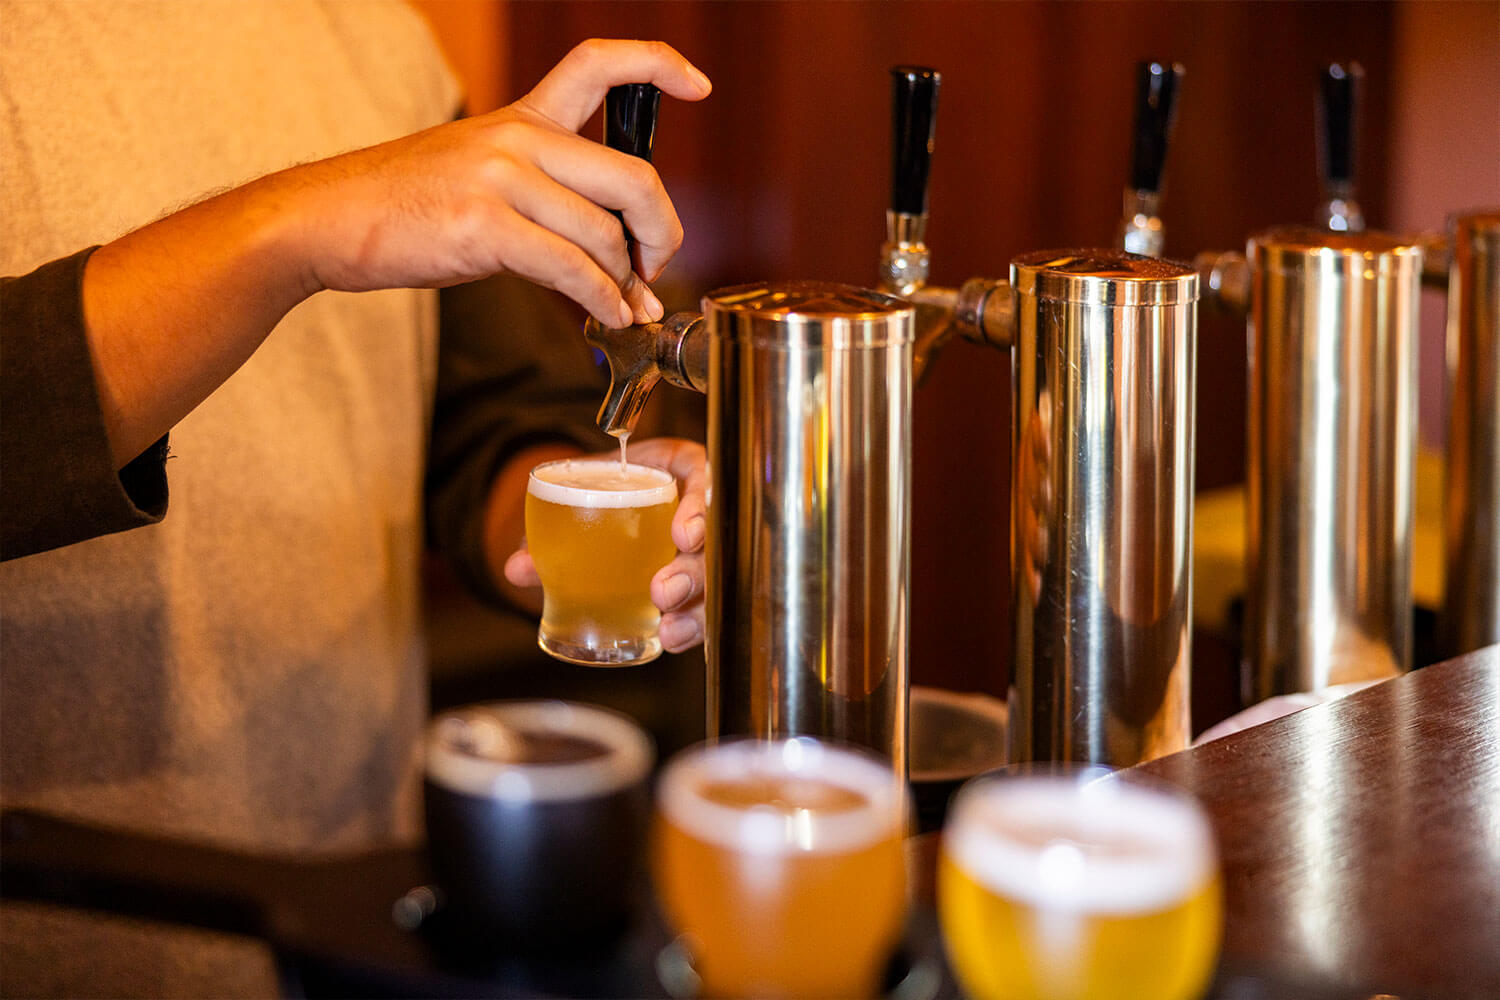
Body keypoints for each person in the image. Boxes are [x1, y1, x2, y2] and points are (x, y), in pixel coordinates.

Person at [0, 3, 709, 995]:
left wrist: (587, 533)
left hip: (355, 916)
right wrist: (299, 229)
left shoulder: (383, 38)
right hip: (53, 928)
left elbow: (485, 425)